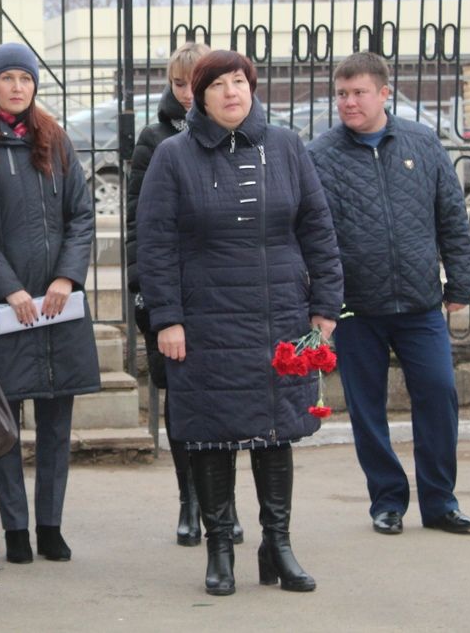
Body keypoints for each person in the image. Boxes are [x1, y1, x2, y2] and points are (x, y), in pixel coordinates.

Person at [136, 50, 343, 597]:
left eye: (240, 82)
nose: (232, 92)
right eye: (219, 84)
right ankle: (220, 548)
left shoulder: (286, 147)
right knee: (212, 435)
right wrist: (167, 319)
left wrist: (324, 308)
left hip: (281, 313)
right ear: (198, 95)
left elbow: (317, 229)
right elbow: (154, 246)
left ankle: (278, 544)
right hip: (206, 319)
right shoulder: (173, 156)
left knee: (278, 433)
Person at [308, 52, 470, 537]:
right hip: (356, 308)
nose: (348, 102)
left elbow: (451, 216)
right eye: (341, 94)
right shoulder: (320, 154)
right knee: (367, 408)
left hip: (421, 303)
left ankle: (440, 501)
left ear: (385, 93)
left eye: (359, 92)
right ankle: (386, 501)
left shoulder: (422, 143)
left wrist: (461, 282)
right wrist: (321, 301)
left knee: (439, 394)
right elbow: (312, 234)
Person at [0, 43, 101, 565]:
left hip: (60, 307)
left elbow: (82, 215)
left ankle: (50, 525)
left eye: (25, 78)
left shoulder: (56, 141)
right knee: (6, 423)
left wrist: (66, 276)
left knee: (58, 422)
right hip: (7, 308)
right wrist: (9, 288)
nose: (17, 87)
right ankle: (15, 529)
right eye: (7, 77)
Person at [126, 40, 243, 548]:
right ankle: (188, 499)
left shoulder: (246, 137)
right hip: (173, 294)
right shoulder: (156, 141)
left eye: (200, 81)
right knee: (181, 400)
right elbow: (142, 225)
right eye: (179, 83)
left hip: (227, 293)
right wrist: (147, 296)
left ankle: (227, 502)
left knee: (231, 399)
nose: (190, 92)